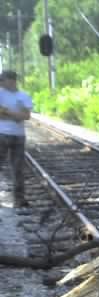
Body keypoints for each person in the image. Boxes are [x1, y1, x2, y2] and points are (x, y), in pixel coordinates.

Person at [0, 70, 33, 207]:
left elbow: (26, 116)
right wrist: (16, 114)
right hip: (1, 134)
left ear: (12, 80)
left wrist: (5, 111)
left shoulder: (24, 96)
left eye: (3, 80)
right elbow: (19, 116)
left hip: (18, 136)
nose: (1, 82)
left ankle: (19, 200)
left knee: (18, 169)